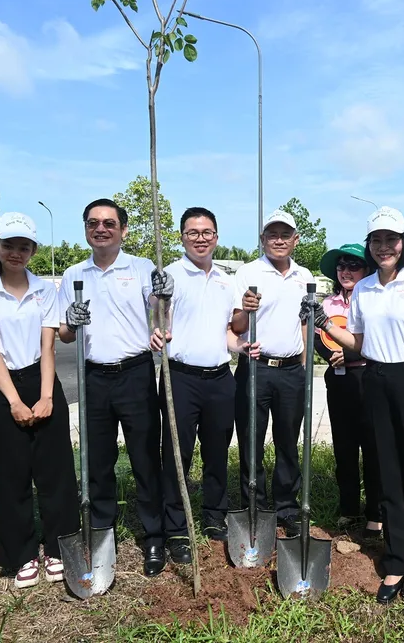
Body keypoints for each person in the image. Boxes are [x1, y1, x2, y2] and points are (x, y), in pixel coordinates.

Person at [310, 206, 404, 604]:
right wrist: (323, 323)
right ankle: (394, 559)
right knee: (385, 472)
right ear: (370, 246)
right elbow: (358, 343)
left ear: (403, 243)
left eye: (391, 239)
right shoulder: (366, 288)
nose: (384, 246)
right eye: (377, 240)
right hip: (376, 379)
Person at [58, 198, 169, 576]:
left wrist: (163, 296)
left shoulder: (141, 268)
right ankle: (101, 532)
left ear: (123, 229)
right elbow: (64, 335)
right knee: (97, 460)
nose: (100, 228)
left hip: (135, 374)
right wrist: (71, 322)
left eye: (109, 223)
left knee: (144, 458)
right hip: (93, 378)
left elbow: (158, 313)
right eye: (93, 223)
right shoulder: (75, 274)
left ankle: (154, 535)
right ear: (86, 229)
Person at [0, 213, 80, 589]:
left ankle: (59, 547)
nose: (16, 253)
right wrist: (14, 402)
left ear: (33, 250)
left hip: (42, 378)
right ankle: (22, 554)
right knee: (12, 475)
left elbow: (49, 345)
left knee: (56, 473)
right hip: (5, 388)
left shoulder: (45, 290)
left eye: (24, 247)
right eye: (10, 245)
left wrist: (47, 396)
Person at [148, 207, 260, 564]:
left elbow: (229, 329)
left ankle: (214, 516)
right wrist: (158, 310)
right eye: (192, 232)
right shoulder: (168, 277)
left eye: (207, 232)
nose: (200, 237)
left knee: (216, 452)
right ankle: (177, 529)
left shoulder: (227, 280)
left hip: (219, 379)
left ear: (216, 236)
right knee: (177, 456)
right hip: (180, 378)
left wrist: (240, 343)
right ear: (182, 237)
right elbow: (158, 320)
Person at [230, 210, 315, 536]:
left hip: (292, 370)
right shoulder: (248, 273)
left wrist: (306, 367)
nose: (279, 240)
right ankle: (254, 504)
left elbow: (305, 323)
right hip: (256, 367)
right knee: (251, 440)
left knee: (287, 443)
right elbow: (235, 324)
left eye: (285, 234)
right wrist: (246, 310)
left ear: (295, 239)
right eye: (272, 234)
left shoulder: (303, 276)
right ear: (262, 239)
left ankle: (286, 508)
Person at [315, 243, 381, 537]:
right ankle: (348, 509)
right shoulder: (327, 304)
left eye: (353, 265)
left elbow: (381, 338)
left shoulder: (374, 298)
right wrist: (329, 354)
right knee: (344, 447)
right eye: (341, 266)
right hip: (338, 380)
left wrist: (353, 354)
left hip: (368, 377)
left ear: (367, 269)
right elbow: (318, 338)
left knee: (373, 447)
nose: (346, 271)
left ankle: (375, 514)